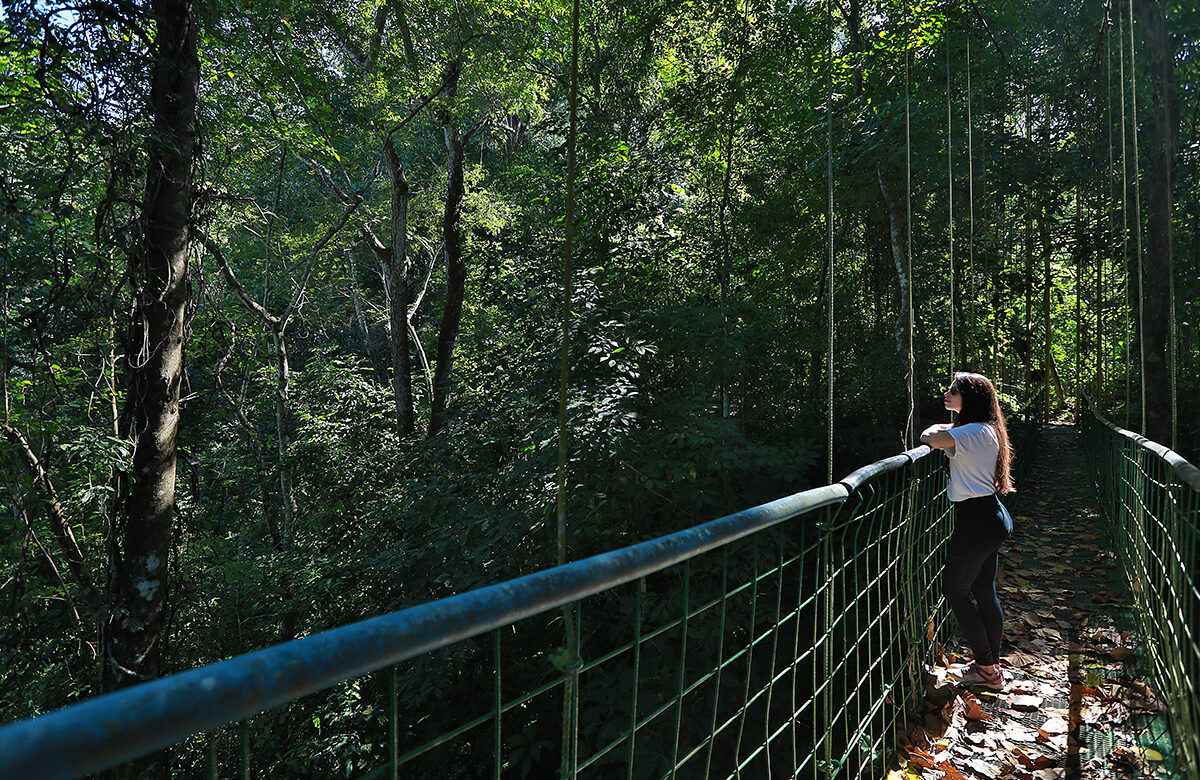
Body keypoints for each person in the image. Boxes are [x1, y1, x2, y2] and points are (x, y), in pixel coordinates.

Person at [919, 371, 1014, 691]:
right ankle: (991, 667)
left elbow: (930, 439)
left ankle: (986, 669)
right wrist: (949, 427)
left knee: (955, 591)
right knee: (983, 590)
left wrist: (935, 429)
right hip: (991, 517)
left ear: (969, 397)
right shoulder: (984, 428)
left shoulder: (970, 432)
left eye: (954, 390)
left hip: (975, 523)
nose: (947, 393)